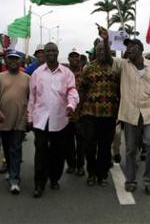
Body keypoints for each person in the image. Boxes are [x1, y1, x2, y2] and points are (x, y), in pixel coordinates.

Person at [101, 28, 150, 196]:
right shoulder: (123, 66)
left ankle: (149, 180)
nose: (128, 49)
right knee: (130, 149)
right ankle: (130, 180)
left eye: (131, 47)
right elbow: (108, 59)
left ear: (141, 50)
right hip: (130, 114)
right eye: (126, 47)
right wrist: (106, 39)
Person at [28, 42, 79, 198]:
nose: (50, 53)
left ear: (57, 52)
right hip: (40, 120)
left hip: (60, 118)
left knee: (58, 153)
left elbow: (72, 91)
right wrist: (29, 117)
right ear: (44, 53)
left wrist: (71, 105)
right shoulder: (37, 73)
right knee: (41, 152)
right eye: (47, 51)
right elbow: (32, 97)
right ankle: (39, 184)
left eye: (53, 51)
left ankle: (55, 178)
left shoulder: (66, 73)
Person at [79, 39, 120, 187]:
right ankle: (91, 173)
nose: (101, 52)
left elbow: (121, 91)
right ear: (95, 52)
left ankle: (102, 175)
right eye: (99, 50)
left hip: (109, 114)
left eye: (104, 50)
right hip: (90, 112)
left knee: (104, 146)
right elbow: (82, 89)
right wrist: (79, 110)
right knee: (89, 146)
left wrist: (120, 110)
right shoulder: (88, 68)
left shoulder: (115, 68)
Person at [0, 50, 30, 194]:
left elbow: (32, 99)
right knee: (6, 148)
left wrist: (29, 116)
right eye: (10, 59)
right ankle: (11, 168)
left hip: (21, 120)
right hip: (3, 119)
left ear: (20, 61)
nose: (13, 61)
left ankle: (15, 180)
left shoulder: (27, 78)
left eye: (16, 59)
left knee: (16, 148)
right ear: (6, 61)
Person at [65, 49, 85, 177]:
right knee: (68, 142)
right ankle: (71, 164)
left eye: (76, 56)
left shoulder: (85, 73)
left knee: (81, 142)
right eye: (71, 56)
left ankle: (80, 166)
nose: (74, 59)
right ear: (68, 59)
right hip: (67, 114)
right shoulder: (64, 74)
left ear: (79, 59)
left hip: (82, 113)